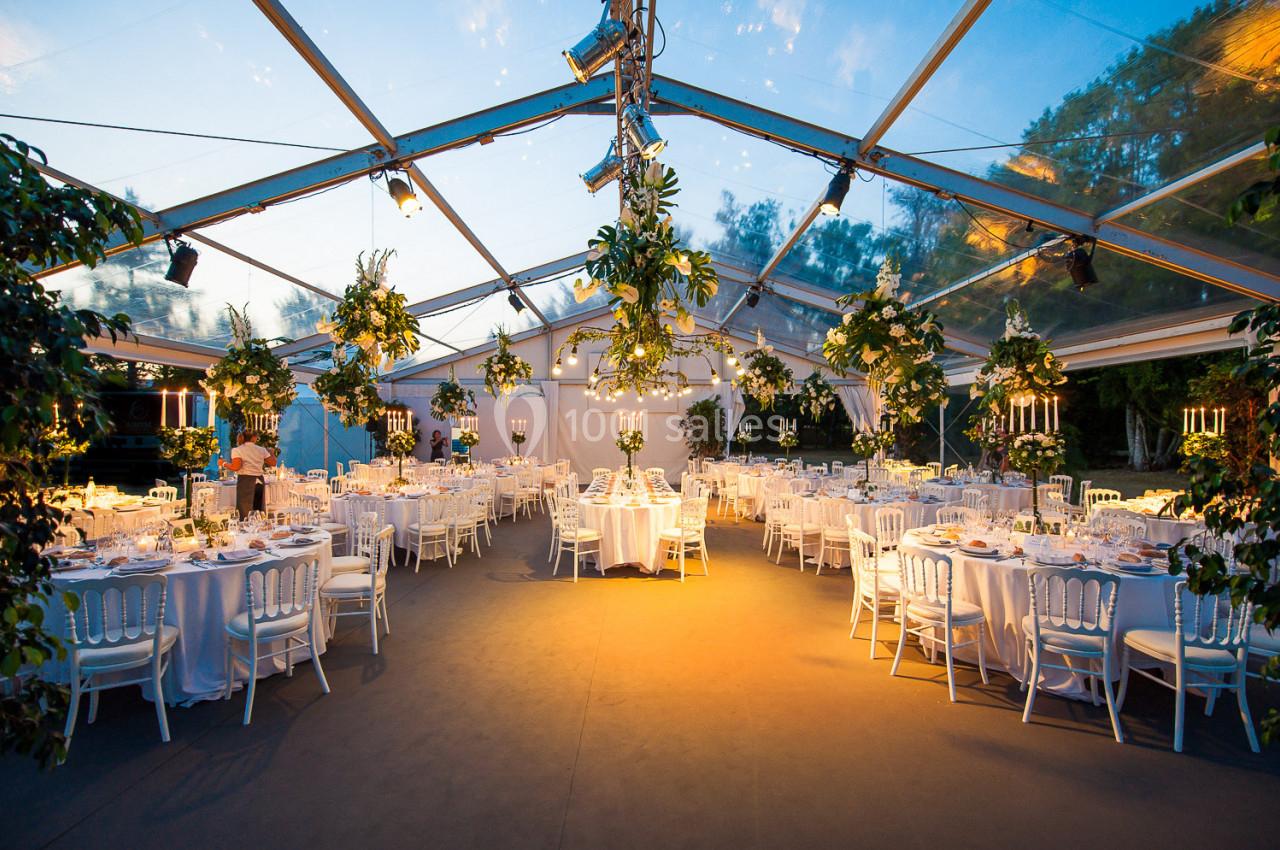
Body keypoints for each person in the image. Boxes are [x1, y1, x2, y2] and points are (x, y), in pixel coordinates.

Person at [219, 430, 276, 519]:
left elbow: (236, 467)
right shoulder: (261, 450)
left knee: (245, 511)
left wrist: (223, 463)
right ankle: (258, 528)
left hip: (246, 481)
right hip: (259, 481)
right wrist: (271, 452)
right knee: (258, 509)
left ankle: (245, 529)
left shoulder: (238, 450)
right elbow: (273, 463)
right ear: (254, 438)